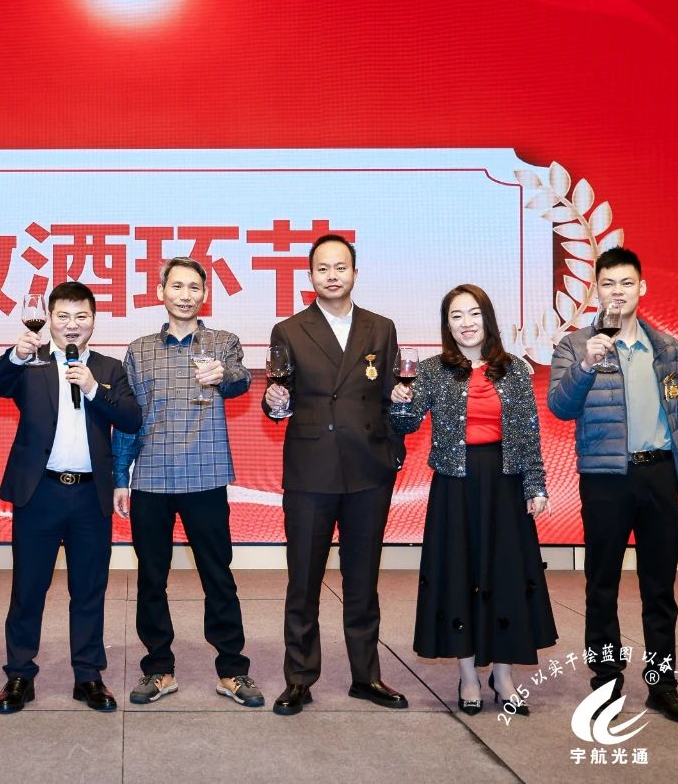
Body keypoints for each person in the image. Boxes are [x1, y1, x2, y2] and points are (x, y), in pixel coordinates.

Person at [548, 247, 678, 725]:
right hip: (605, 479)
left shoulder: (669, 350)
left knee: (660, 588)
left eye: (625, 283)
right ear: (595, 290)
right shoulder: (576, 345)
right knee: (601, 584)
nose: (617, 292)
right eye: (608, 284)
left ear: (642, 288)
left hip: (658, 476)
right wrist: (586, 365)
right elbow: (560, 407)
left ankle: (663, 687)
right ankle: (606, 683)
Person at [391, 284, 557, 716]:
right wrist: (399, 402)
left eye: (473, 314)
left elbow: (528, 433)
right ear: (447, 326)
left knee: (506, 577)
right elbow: (406, 425)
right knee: (457, 576)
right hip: (455, 485)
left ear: (488, 318)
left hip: (505, 483)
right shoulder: (431, 370)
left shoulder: (514, 369)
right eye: (456, 316)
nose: (466, 323)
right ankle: (467, 677)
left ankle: (503, 676)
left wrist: (536, 485)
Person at [262, 233, 407, 715]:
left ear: (355, 273)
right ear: (310, 276)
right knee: (303, 581)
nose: (332, 276)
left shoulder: (380, 328)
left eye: (340, 267)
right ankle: (299, 679)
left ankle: (366, 676)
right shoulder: (289, 329)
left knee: (363, 580)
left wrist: (395, 444)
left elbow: (389, 396)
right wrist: (275, 403)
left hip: (368, 470)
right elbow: (278, 396)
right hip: (311, 471)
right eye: (322, 268)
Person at [112, 257, 263, 707]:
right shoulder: (139, 350)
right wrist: (120, 477)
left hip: (206, 475)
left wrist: (224, 375)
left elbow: (240, 381)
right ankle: (158, 668)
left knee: (218, 575)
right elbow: (129, 421)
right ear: (161, 292)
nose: (185, 295)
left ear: (204, 294)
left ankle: (232, 670)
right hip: (152, 479)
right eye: (176, 286)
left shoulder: (222, 342)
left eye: (193, 287)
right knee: (151, 578)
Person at [0, 281, 142, 714]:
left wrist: (93, 388)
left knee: (89, 588)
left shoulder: (108, 368)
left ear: (94, 320)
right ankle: (19, 675)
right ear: (50, 320)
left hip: (90, 496)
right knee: (28, 587)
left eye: (81, 316)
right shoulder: (30, 363)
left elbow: (131, 418)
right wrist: (15, 355)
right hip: (40, 492)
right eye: (63, 316)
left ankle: (88, 675)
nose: (72, 325)